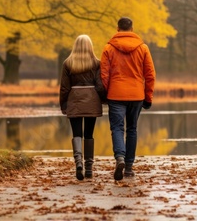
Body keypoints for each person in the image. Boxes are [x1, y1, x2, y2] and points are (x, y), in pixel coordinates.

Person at [100, 17, 155, 181]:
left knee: (117, 128)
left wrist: (106, 93)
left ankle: (120, 158)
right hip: (137, 95)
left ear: (118, 29)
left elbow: (104, 75)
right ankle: (129, 167)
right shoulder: (143, 48)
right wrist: (148, 96)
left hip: (116, 94)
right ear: (132, 29)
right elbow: (150, 75)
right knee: (132, 129)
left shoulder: (108, 48)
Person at [60, 34, 106, 180]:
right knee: (89, 134)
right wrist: (104, 99)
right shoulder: (97, 63)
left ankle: (78, 162)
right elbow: (100, 85)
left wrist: (64, 104)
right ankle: (89, 168)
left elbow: (64, 87)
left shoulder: (68, 63)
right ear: (90, 46)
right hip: (92, 99)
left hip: (74, 99)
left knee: (77, 133)